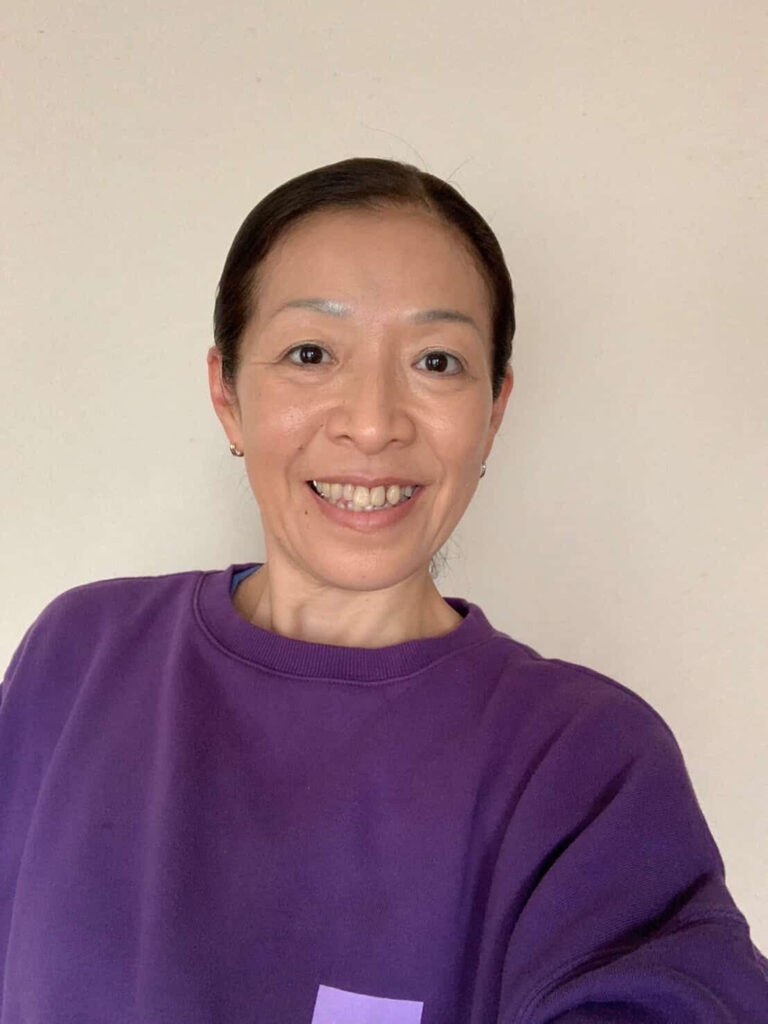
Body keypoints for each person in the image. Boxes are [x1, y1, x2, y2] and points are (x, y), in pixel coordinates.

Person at [1, 157, 766, 1024]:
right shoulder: (80, 655)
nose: (372, 424)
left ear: (494, 410)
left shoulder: (585, 759)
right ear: (227, 393)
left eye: (437, 361)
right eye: (311, 354)